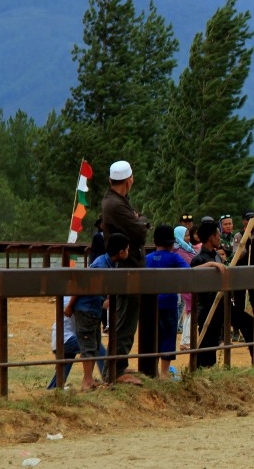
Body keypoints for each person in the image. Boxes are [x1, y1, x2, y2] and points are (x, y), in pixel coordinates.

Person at [100, 160, 149, 382]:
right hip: (127, 267)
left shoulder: (117, 201)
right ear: (130, 180)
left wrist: (138, 221)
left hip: (129, 265)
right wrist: (141, 220)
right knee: (124, 320)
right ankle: (115, 370)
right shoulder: (117, 205)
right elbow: (139, 233)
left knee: (127, 318)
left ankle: (118, 365)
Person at [68, 233, 129, 389]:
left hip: (94, 309)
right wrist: (70, 306)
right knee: (88, 344)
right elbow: (81, 285)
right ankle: (87, 381)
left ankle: (89, 379)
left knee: (94, 344)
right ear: (121, 252)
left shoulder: (110, 264)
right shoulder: (100, 266)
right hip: (86, 309)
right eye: (127, 249)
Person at [145, 225, 188, 380]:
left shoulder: (147, 258)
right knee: (168, 337)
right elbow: (188, 271)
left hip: (150, 305)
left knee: (152, 337)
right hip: (169, 304)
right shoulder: (174, 258)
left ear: (155, 241)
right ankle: (164, 374)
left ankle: (153, 372)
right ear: (172, 243)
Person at [191, 221, 229, 368]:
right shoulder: (199, 259)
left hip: (221, 305)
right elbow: (192, 272)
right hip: (207, 308)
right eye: (217, 234)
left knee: (214, 342)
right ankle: (200, 372)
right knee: (206, 345)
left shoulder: (217, 256)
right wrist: (211, 265)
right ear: (211, 237)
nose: (220, 237)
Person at [48, 296, 108, 390]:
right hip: (67, 340)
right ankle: (108, 376)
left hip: (60, 340)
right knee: (95, 345)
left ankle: (53, 388)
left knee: (61, 376)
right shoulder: (70, 301)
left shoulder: (65, 298)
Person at [173, 225, 196, 349]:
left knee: (189, 310)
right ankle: (186, 340)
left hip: (189, 283)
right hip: (187, 283)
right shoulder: (181, 251)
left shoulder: (187, 248)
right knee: (192, 310)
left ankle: (185, 340)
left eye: (188, 235)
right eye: (185, 235)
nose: (188, 237)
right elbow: (191, 264)